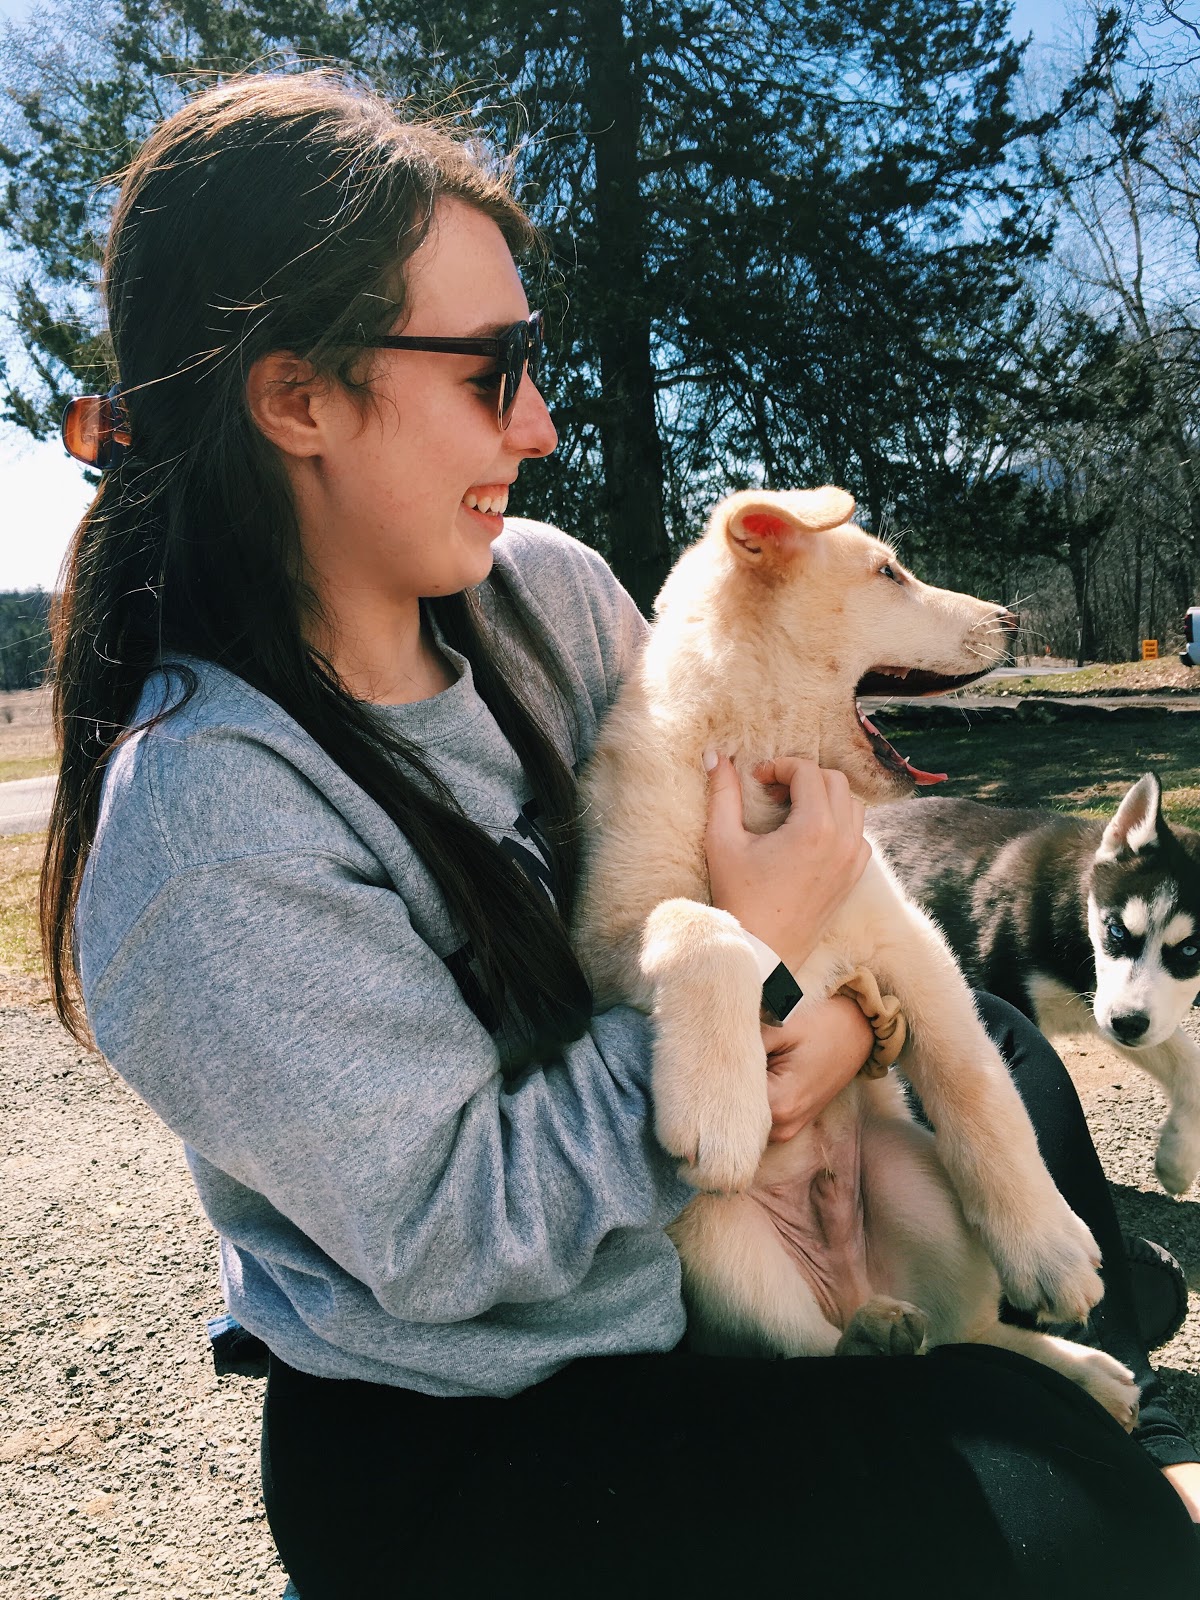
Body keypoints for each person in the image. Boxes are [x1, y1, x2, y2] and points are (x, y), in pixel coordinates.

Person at [42, 69, 1200, 1600]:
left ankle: (1028, 1375)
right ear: (297, 398)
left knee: (996, 1044)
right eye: (492, 370)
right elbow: (460, 1235)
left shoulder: (546, 595)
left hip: (701, 1236)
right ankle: (1030, 1401)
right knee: (1093, 1542)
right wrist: (766, 971)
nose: (538, 422)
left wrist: (847, 1021)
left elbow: (769, 876)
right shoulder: (203, 831)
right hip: (493, 1409)